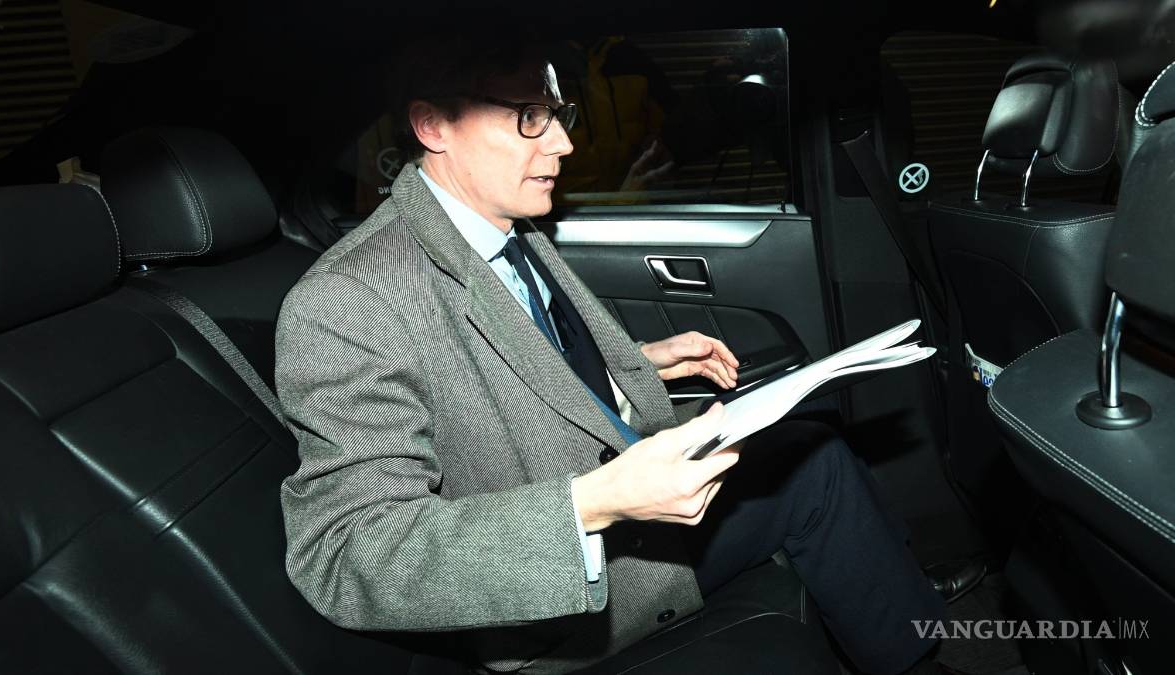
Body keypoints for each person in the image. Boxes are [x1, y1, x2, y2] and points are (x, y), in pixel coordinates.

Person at [276, 36, 959, 675]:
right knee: (817, 471)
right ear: (433, 126)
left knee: (814, 443)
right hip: (559, 604)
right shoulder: (346, 300)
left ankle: (901, 602)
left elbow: (515, 358)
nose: (564, 143)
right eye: (529, 117)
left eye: (559, 114)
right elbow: (348, 553)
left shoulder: (501, 225)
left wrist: (637, 360)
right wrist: (595, 503)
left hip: (611, 508)